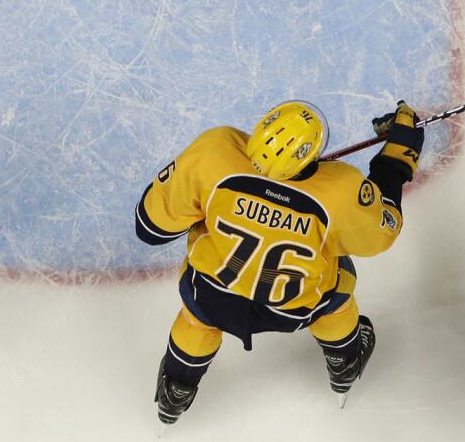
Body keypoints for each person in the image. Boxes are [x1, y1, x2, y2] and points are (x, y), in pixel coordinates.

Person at [135, 99, 424, 423]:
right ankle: (344, 361)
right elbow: (382, 233)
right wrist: (396, 161)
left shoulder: (213, 153)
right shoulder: (343, 190)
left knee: (196, 318)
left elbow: (150, 228)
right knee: (338, 284)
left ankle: (176, 390)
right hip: (295, 307)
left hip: (214, 296)